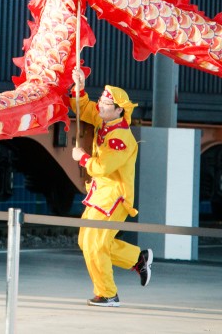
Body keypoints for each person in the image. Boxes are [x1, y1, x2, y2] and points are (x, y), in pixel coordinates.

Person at [70, 70, 153, 307]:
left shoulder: (121, 137)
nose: (101, 106)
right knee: (86, 241)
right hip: (100, 194)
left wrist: (82, 158)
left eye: (107, 104)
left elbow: (103, 167)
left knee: (95, 244)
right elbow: (83, 108)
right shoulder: (104, 121)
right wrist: (80, 87)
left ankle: (108, 294)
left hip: (114, 197)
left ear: (119, 110)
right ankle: (137, 258)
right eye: (101, 101)